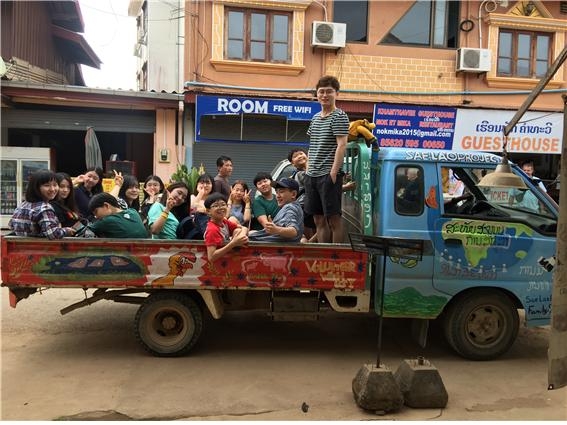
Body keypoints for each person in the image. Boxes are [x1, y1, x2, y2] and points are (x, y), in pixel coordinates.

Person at [305, 75, 349, 243]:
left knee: (333, 219)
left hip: (328, 175)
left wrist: (333, 172)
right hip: (312, 175)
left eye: (329, 91)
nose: (324, 95)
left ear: (336, 93)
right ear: (317, 94)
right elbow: (312, 144)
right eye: (321, 92)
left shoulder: (340, 116)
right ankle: (322, 253)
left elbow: (342, 145)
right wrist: (308, 168)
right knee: (318, 219)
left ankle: (335, 257)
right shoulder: (315, 118)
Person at [9, 169, 76, 239]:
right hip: (38, 248)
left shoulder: (23, 205)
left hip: (20, 247)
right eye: (47, 185)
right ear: (36, 188)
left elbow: (11, 225)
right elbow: (53, 234)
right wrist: (66, 230)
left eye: (55, 185)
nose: (52, 189)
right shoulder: (44, 208)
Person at [249, 178, 304, 243]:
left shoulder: (290, 207)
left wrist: (276, 229)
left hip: (266, 246)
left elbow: (293, 231)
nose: (277, 196)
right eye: (276, 192)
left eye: (281, 192)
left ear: (293, 194)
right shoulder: (295, 206)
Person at [203, 192, 249, 262]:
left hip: (228, 260)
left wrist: (241, 237)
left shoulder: (224, 222)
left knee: (237, 231)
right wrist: (233, 243)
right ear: (208, 211)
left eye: (223, 204)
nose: (221, 208)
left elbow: (244, 228)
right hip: (218, 267)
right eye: (216, 205)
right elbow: (211, 257)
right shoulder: (212, 230)